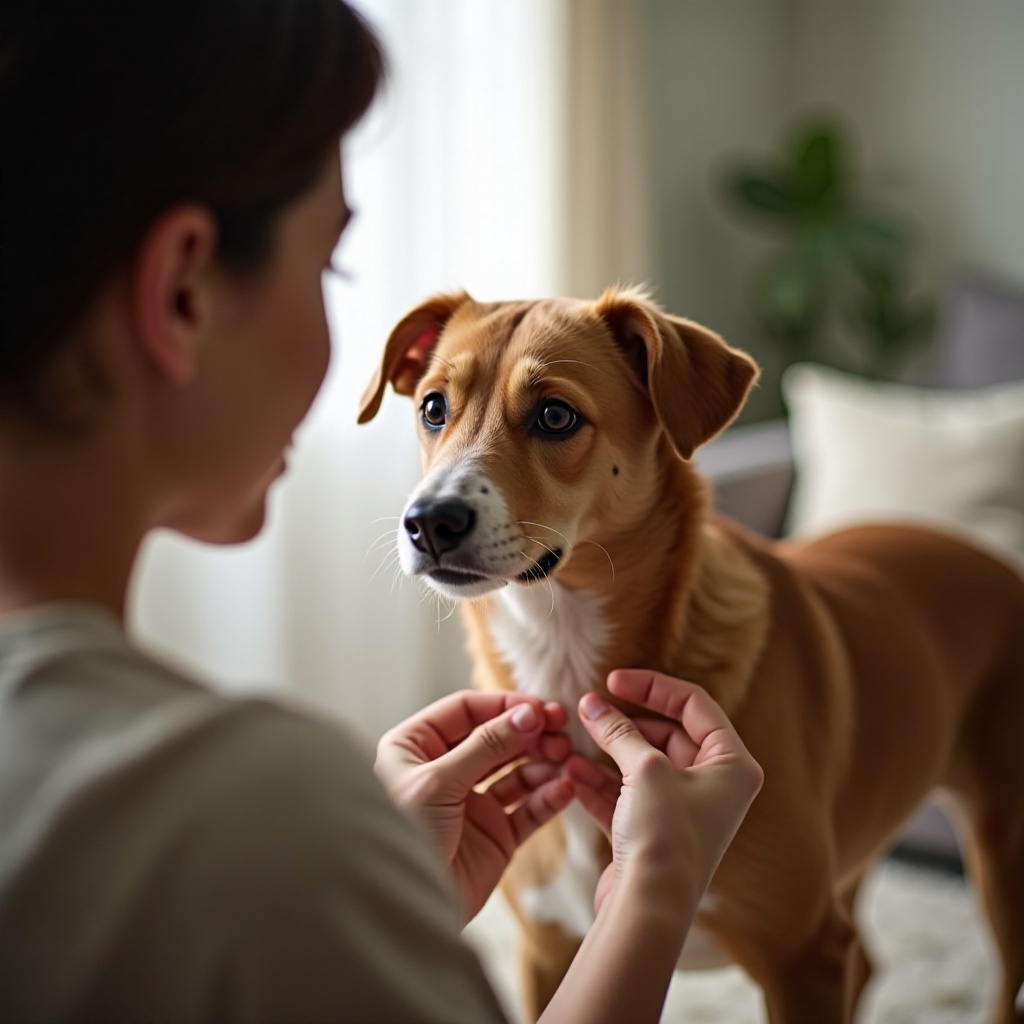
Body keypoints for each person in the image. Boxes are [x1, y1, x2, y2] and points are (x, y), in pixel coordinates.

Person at [0, 2, 763, 1022]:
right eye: (331, 263)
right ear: (182, 289)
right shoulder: (263, 806)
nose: (439, 477)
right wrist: (658, 889)